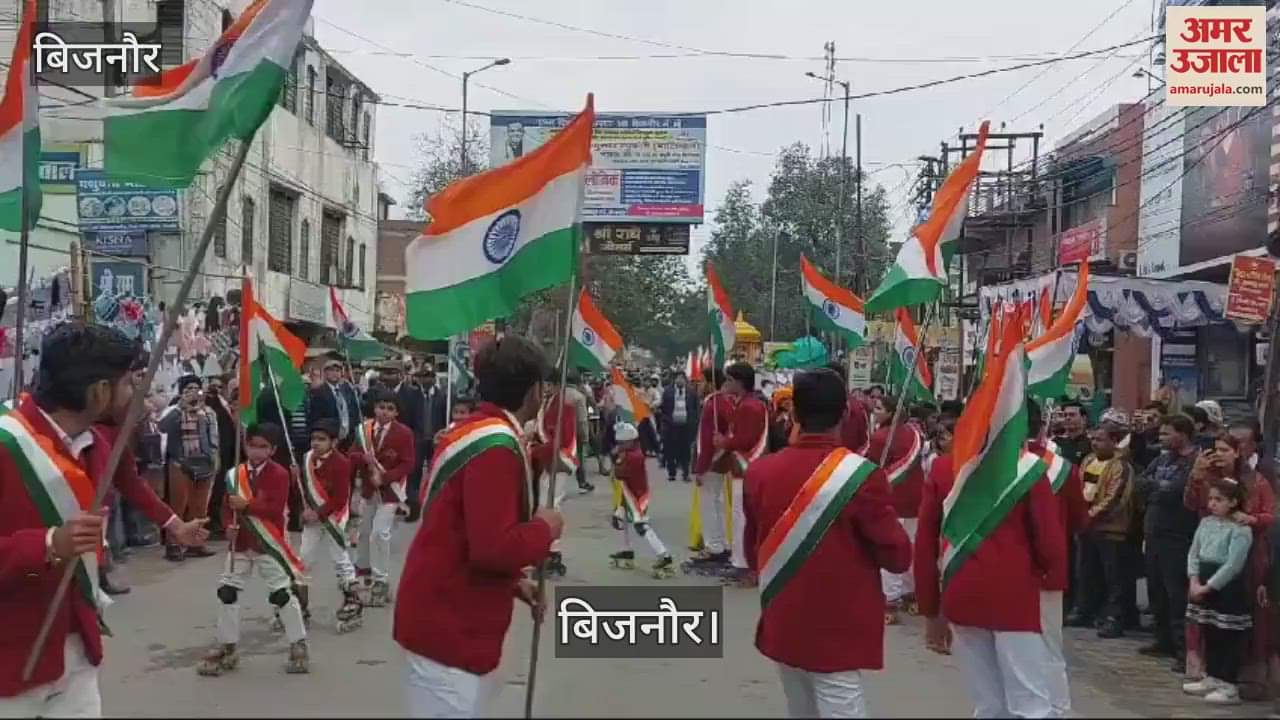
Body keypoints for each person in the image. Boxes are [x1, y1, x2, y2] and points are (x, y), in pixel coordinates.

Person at [0, 323, 209, 716]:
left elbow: (129, 481)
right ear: (98, 392)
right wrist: (48, 544)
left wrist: (173, 525)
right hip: (11, 662)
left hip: (76, 646)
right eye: (130, 383)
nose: (140, 398)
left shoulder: (100, 440)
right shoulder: (7, 444)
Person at [394, 334, 563, 718]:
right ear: (536, 390)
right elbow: (492, 548)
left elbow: (464, 529)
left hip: (448, 611)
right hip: (449, 625)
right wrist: (545, 528)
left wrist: (514, 582)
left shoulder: (477, 430)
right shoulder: (495, 445)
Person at [744, 368, 911, 718]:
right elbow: (897, 556)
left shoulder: (761, 472)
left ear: (795, 414)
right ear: (845, 413)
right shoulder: (862, 475)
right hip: (840, 621)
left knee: (800, 708)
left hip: (784, 610)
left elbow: (751, 549)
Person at [914, 413, 1069, 718]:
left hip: (962, 591)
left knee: (987, 702)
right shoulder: (1029, 471)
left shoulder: (944, 469)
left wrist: (931, 608)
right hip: (1016, 595)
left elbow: (924, 545)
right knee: (1030, 701)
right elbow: (1051, 546)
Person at [198, 423, 309, 676]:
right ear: (245, 445)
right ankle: (227, 644)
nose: (256, 451)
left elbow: (273, 508)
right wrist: (228, 526)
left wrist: (246, 505)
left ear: (273, 450)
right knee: (227, 592)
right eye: (252, 445)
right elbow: (226, 507)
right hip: (240, 543)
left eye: (263, 447)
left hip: (267, 543)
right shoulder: (234, 474)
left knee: (281, 594)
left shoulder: (279, 474)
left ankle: (298, 643)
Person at [1183, 431, 1274, 700]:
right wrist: (1196, 475)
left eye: (1225, 449)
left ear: (1238, 451)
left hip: (1242, 556)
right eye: (1216, 449)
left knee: (1234, 627)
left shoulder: (1256, 481)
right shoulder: (1207, 477)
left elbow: (1272, 514)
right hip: (1208, 548)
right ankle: (1209, 674)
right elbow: (1190, 503)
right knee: (1208, 625)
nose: (1219, 454)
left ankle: (1237, 679)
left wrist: (1251, 519)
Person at [1136, 414, 1201, 673]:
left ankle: (1182, 649)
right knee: (1157, 590)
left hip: (1178, 535)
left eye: (1166, 434)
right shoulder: (1161, 459)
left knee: (1176, 594)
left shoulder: (1194, 461)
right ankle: (1162, 640)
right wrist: (1157, 487)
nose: (1160, 438)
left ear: (1183, 434)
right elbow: (1140, 482)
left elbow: (1176, 491)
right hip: (1153, 531)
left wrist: (1158, 488)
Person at [1181, 478, 1254, 704]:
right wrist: (1194, 580)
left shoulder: (1241, 530)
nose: (1212, 504)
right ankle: (1211, 675)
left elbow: (1233, 564)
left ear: (1233, 502)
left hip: (1225, 587)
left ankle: (1228, 683)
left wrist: (1209, 586)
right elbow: (1194, 552)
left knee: (1227, 635)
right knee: (1208, 631)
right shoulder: (1206, 523)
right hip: (1202, 578)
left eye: (1219, 500)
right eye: (1211, 499)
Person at [349, 388, 415, 607]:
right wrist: (362, 457)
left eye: (390, 409)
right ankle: (364, 572)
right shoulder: (363, 429)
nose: (384, 412)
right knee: (365, 532)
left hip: (390, 491)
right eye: (381, 407)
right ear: (374, 408)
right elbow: (352, 455)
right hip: (369, 490)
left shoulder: (404, 433)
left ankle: (381, 579)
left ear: (396, 412)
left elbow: (408, 463)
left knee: (380, 533)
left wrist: (386, 477)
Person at [1071, 423, 1137, 639]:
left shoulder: (1121, 466)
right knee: (1087, 572)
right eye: (1093, 438)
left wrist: (1091, 515)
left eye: (1100, 439)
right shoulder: (1088, 461)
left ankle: (1115, 618)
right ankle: (1085, 610)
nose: (1094, 443)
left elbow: (1115, 498)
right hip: (1086, 526)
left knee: (1114, 577)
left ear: (1113, 441)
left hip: (1110, 529)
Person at [296, 419, 362, 633]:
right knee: (304, 559)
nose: (316, 443)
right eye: (313, 439)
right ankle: (300, 605)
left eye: (322, 440)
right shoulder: (306, 460)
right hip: (311, 519)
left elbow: (341, 497)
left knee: (340, 559)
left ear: (333, 442)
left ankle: (352, 602)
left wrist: (320, 512)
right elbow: (303, 490)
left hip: (333, 518)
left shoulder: (341, 463)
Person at [868, 395, 925, 624]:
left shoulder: (880, 437)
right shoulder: (915, 434)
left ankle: (889, 600)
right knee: (911, 548)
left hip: (893, 500)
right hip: (916, 499)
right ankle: (911, 594)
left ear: (891, 413)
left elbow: (873, 467)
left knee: (892, 548)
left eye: (879, 408)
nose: (875, 411)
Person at [713, 362, 769, 586]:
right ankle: (740, 561)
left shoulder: (750, 407)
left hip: (747, 468)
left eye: (729, 380)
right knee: (739, 519)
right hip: (742, 468)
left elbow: (744, 440)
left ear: (739, 382)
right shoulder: (746, 404)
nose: (726, 384)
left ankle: (745, 565)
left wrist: (724, 442)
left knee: (743, 520)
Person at [157, 375, 220, 562]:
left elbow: (214, 437)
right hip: (181, 463)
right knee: (178, 505)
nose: (193, 392)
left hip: (204, 463)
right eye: (188, 389)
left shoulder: (208, 412)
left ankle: (196, 543)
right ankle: (173, 544)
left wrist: (215, 457)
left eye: (196, 388)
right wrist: (181, 408)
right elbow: (162, 427)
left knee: (200, 507)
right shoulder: (174, 411)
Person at [608, 422, 674, 576]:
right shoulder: (630, 453)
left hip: (636, 496)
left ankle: (664, 555)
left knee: (641, 525)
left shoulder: (633, 457)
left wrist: (616, 458)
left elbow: (619, 473)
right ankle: (627, 550)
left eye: (622, 443)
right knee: (620, 519)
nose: (620, 445)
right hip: (629, 492)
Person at [687, 368, 736, 574]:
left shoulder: (713, 403)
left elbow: (706, 440)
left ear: (710, 381)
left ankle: (714, 546)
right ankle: (722, 543)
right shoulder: (726, 401)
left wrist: (700, 467)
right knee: (718, 502)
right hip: (722, 459)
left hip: (712, 460)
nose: (699, 385)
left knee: (710, 504)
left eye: (702, 381)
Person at [308, 359, 362, 452]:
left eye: (337, 370)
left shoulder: (348, 390)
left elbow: (354, 412)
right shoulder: (319, 392)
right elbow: (316, 417)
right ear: (325, 373)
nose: (334, 373)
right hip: (330, 437)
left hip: (348, 437)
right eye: (331, 370)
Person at [660, 371, 700, 482]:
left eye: (682, 378)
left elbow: (696, 409)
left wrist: (695, 422)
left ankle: (685, 473)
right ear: (675, 379)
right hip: (671, 426)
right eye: (678, 378)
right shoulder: (668, 392)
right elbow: (663, 408)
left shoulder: (691, 392)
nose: (680, 380)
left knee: (686, 451)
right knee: (670, 450)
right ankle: (671, 473)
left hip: (686, 426)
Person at [1055, 401, 1091, 465]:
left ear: (1083, 419)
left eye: (1072, 415)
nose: (1067, 418)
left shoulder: (1091, 444)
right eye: (1065, 415)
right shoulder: (1055, 443)